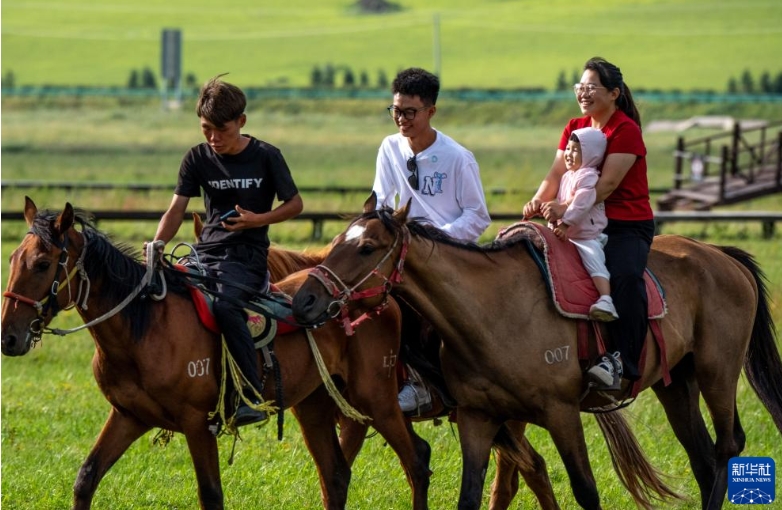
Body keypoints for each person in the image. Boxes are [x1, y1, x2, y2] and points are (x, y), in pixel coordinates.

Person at [152, 74, 304, 426]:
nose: (213, 138)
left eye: (221, 130)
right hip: (205, 254)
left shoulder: (267, 156)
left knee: (225, 306)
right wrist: (157, 244)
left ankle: (250, 395)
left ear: (241, 121)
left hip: (247, 258)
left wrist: (258, 220)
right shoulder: (196, 158)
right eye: (206, 129)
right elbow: (176, 210)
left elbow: (295, 204)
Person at [523, 57, 654, 390]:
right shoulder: (575, 126)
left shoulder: (625, 130)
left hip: (624, 224)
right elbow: (556, 174)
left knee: (625, 276)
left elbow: (605, 186)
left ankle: (622, 360)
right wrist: (537, 203)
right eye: (580, 86)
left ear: (613, 93)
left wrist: (564, 209)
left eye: (591, 87)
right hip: (577, 221)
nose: (583, 92)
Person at [373, 67, 491, 413]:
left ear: (431, 111)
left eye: (410, 112)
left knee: (417, 307)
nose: (401, 119)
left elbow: (477, 216)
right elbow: (381, 199)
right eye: (396, 110)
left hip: (448, 256)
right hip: (404, 251)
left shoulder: (458, 157)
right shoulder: (389, 147)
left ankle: (423, 384)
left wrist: (436, 240)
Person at [549, 127, 619, 324]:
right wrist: (553, 220)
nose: (569, 154)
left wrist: (565, 224)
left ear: (591, 154)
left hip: (586, 235)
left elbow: (581, 204)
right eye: (568, 149)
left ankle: (606, 299)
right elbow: (562, 203)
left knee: (592, 257)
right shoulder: (566, 176)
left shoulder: (588, 176)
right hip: (569, 234)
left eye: (576, 150)